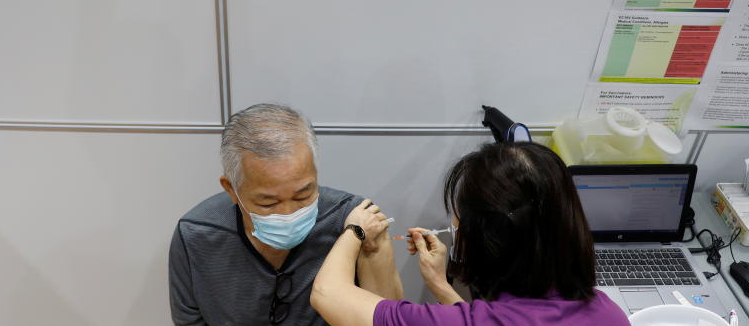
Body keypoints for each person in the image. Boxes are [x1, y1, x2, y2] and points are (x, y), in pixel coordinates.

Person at [310, 142, 632, 326]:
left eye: (459, 223)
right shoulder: (609, 314)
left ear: (487, 239)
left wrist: (355, 230)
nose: (454, 227)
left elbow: (327, 294)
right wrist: (438, 282)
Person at [169, 103, 402, 326]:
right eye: (268, 202)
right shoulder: (196, 235)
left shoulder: (356, 221)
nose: (289, 213)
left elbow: (387, 319)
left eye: (303, 195)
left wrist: (361, 239)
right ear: (231, 189)